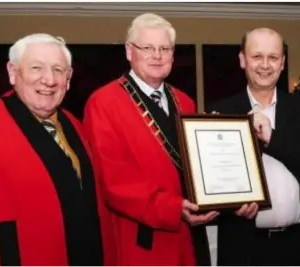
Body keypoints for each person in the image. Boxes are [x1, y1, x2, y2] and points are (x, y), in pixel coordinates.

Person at [82, 13, 218, 265]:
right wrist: (173, 208)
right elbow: (113, 182)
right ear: (129, 51)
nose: (157, 55)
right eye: (148, 48)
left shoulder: (185, 101)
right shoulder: (103, 103)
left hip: (191, 235)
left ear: (173, 55)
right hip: (144, 238)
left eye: (164, 48)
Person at [0, 33, 114, 265]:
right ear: (13, 72)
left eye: (58, 70)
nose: (49, 80)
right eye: (36, 68)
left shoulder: (74, 125)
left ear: (69, 79)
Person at [206, 27, 300, 266]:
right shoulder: (221, 113)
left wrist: (270, 137)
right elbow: (213, 182)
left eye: (273, 57)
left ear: (282, 63)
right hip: (243, 247)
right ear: (242, 60)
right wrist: (231, 207)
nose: (265, 65)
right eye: (257, 56)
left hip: (299, 246)